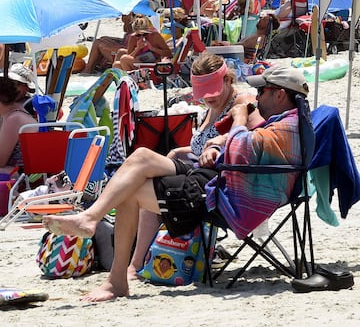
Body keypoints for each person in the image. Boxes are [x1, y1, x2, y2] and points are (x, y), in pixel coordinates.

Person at [43, 65, 309, 301]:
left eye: (263, 92)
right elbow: (248, 149)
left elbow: (244, 151)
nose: (258, 97)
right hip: (212, 174)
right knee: (140, 157)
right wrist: (218, 143)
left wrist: (236, 123)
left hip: (224, 193)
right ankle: (95, 225)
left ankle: (117, 275)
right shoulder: (284, 122)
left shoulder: (284, 126)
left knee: (129, 190)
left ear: (279, 94)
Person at [125, 53, 263, 280]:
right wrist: (178, 152)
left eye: (213, 91)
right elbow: (200, 148)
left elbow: (254, 137)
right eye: (204, 94)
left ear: (228, 80)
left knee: (149, 187)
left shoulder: (242, 103)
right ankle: (133, 260)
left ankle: (134, 264)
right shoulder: (213, 106)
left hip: (220, 182)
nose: (209, 98)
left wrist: (220, 142)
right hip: (196, 169)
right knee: (142, 172)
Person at [212, 14, 280, 62]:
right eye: (262, 18)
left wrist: (225, 44)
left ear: (268, 26)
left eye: (264, 20)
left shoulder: (260, 38)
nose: (260, 19)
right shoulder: (257, 36)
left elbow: (238, 47)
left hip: (241, 61)